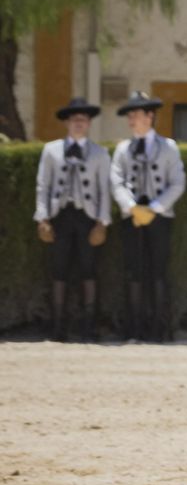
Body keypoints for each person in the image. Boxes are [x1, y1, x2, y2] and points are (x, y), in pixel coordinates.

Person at [33, 97, 113, 341]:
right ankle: (58, 327)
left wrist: (102, 222)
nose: (79, 123)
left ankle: (88, 327)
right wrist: (42, 218)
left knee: (89, 269)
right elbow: (42, 185)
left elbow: (104, 189)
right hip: (60, 215)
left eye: (83, 120)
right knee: (59, 270)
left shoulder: (100, 152)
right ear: (67, 123)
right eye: (75, 119)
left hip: (87, 216)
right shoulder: (51, 150)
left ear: (89, 124)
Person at [111, 91, 186, 341]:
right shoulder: (123, 149)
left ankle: (160, 328)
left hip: (159, 215)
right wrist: (131, 206)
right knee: (134, 270)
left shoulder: (168, 147)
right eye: (130, 115)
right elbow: (117, 181)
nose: (132, 120)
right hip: (132, 215)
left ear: (150, 116)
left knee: (159, 271)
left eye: (136, 114)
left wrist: (154, 208)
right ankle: (135, 328)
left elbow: (177, 183)